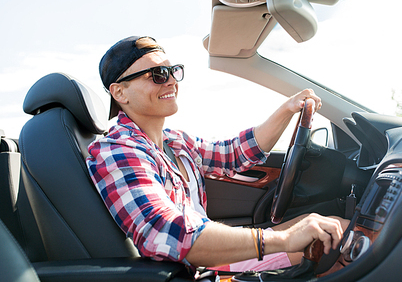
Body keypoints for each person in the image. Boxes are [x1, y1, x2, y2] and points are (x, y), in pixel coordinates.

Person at [86, 36, 348, 275]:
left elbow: (234, 154)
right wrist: (284, 240)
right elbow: (166, 232)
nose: (171, 81)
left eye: (172, 71)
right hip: (191, 270)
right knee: (336, 231)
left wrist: (288, 109)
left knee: (323, 226)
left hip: (205, 261)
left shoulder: (175, 142)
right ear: (119, 92)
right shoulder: (117, 150)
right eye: (156, 74)